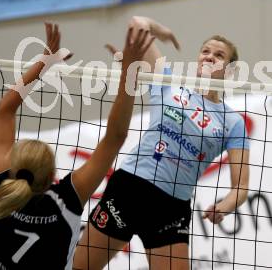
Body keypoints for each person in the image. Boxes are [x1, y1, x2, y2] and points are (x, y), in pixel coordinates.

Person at [0, 22, 155, 270]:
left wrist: (44, 62)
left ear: (14, 167)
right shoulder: (67, 199)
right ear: (52, 176)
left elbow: (4, 111)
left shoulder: (4, 190)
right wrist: (129, 74)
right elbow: (116, 136)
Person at [74, 16, 250, 270]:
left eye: (219, 55)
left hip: (171, 209)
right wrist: (163, 31)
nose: (209, 56)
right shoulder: (169, 85)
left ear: (230, 70)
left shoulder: (233, 122)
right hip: (129, 190)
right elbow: (137, 24)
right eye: (205, 51)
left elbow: (241, 186)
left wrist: (225, 205)